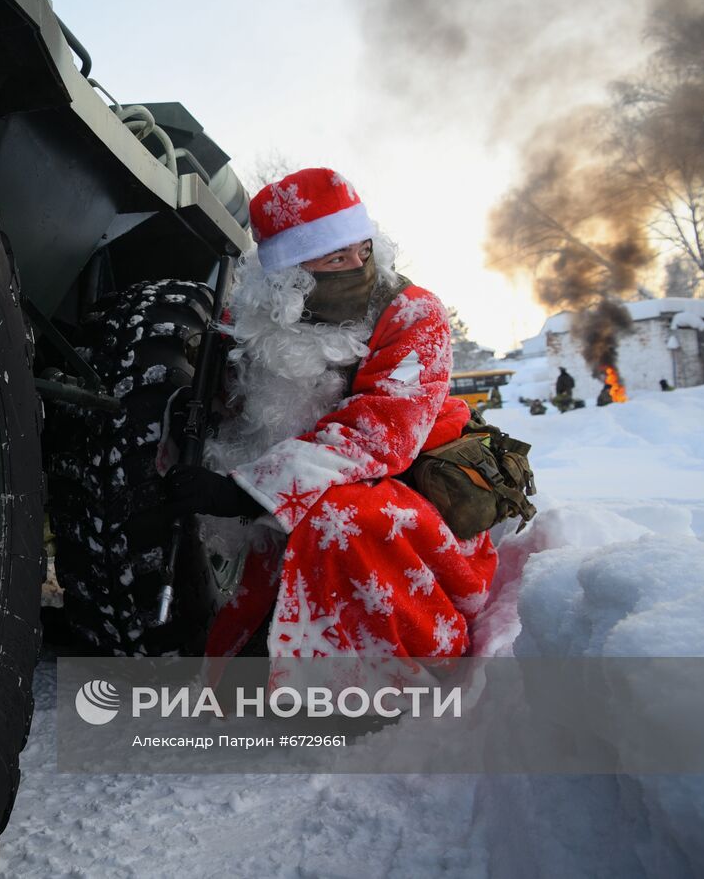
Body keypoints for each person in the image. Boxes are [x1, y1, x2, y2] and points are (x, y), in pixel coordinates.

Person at [156, 167, 497, 661]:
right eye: (337, 257)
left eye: (363, 250)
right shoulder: (256, 323)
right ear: (289, 275)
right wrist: (195, 416)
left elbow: (381, 431)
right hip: (290, 514)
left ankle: (409, 661)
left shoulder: (414, 314)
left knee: (341, 516)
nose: (359, 267)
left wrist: (248, 491)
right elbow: (240, 413)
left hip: (414, 510)